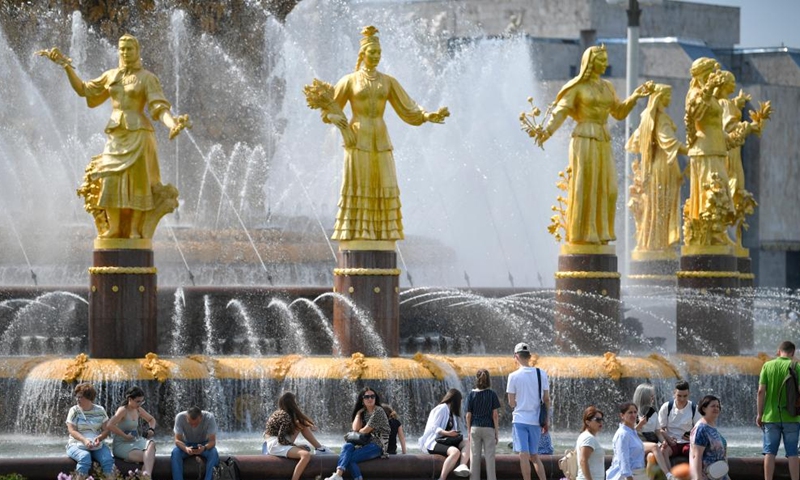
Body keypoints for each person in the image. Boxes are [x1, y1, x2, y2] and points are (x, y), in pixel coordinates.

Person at [38, 34, 189, 239]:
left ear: (137, 51)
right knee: (109, 178)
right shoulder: (111, 76)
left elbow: (158, 107)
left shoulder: (147, 78)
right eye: (122, 49)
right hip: (116, 134)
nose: (125, 53)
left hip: (140, 135)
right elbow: (84, 90)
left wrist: (173, 124)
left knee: (138, 182)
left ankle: (135, 229)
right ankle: (115, 227)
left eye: (129, 49)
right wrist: (66, 66)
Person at [313, 25, 448, 244]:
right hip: (357, 138)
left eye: (379, 53)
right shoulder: (349, 80)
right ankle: (358, 231)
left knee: (384, 181)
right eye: (372, 53)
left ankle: (383, 232)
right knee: (359, 182)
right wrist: (333, 119)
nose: (376, 57)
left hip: (381, 137)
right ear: (363, 54)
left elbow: (407, 107)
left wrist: (426, 116)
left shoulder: (388, 81)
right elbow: (328, 108)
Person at [535, 45, 653, 245]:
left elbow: (618, 112)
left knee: (610, 188)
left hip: (602, 138)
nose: (605, 63)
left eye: (605, 59)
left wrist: (635, 97)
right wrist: (547, 131)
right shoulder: (577, 87)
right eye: (601, 59)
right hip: (584, 138)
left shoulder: (607, 86)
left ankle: (602, 231)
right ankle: (584, 233)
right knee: (586, 185)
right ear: (590, 63)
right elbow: (561, 111)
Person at [625, 84, 686, 253]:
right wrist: (691, 150)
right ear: (660, 97)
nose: (670, 99)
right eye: (668, 95)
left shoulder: (648, 118)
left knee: (655, 205)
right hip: (664, 165)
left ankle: (651, 242)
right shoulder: (661, 119)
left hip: (655, 165)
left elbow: (635, 142)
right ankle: (658, 244)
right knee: (661, 205)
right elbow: (669, 141)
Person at [682, 57, 735, 246]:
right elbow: (695, 113)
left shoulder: (712, 96)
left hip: (716, 147)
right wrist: (707, 90)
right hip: (703, 149)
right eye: (712, 72)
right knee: (712, 189)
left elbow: (717, 126)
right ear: (704, 74)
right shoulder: (695, 93)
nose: (716, 75)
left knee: (720, 188)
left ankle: (717, 230)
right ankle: (710, 232)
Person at [324, 387, 391, 480]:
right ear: (362, 400)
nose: (370, 399)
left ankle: (343, 476)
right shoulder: (364, 412)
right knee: (347, 446)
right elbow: (355, 429)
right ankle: (338, 475)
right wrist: (358, 413)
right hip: (365, 443)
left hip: (378, 445)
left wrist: (359, 430)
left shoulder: (379, 411)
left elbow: (365, 430)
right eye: (367, 397)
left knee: (349, 459)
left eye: (372, 396)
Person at [757, 341, 800, 480]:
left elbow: (760, 391)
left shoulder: (767, 366)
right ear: (793, 353)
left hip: (770, 416)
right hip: (792, 417)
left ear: (778, 351)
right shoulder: (797, 366)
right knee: (793, 453)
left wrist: (759, 414)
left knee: (769, 452)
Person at [507, 342, 549, 480]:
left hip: (519, 420)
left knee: (523, 455)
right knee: (535, 456)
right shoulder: (541, 373)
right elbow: (547, 399)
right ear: (529, 356)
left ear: (516, 356)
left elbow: (511, 403)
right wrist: (546, 420)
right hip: (536, 420)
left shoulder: (513, 376)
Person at [264, 392, 328, 480]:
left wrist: (309, 424)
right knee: (305, 455)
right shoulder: (285, 417)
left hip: (276, 442)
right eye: (295, 402)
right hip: (276, 445)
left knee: (301, 425)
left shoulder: (281, 413)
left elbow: (300, 423)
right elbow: (281, 439)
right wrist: (296, 447)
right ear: (292, 403)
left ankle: (320, 449)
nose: (297, 404)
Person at [66, 382, 114, 479]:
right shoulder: (74, 410)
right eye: (77, 396)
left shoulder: (100, 410)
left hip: (96, 445)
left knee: (108, 460)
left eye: (80, 397)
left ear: (89, 398)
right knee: (84, 457)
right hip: (76, 444)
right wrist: (84, 440)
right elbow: (72, 430)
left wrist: (99, 438)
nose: (77, 399)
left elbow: (106, 430)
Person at [420, 388, 471, 480]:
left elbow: (452, 430)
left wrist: (454, 434)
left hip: (446, 440)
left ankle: (462, 465)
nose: (460, 404)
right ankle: (442, 478)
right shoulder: (441, 408)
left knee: (468, 442)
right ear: (455, 400)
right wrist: (447, 433)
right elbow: (433, 427)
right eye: (460, 401)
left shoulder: (452, 412)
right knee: (455, 452)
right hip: (434, 442)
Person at [107, 386, 157, 477]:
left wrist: (151, 429)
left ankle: (146, 476)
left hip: (135, 441)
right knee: (148, 458)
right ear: (130, 399)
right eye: (138, 401)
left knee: (152, 444)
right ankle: (146, 477)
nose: (140, 404)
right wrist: (124, 436)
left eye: (142, 401)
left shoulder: (138, 409)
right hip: (121, 444)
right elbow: (109, 425)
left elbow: (151, 419)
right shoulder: (123, 410)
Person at [657, 381, 701, 470]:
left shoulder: (693, 408)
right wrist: (668, 439)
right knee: (663, 451)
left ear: (689, 394)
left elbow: (699, 429)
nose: (682, 399)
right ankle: (670, 476)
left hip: (687, 443)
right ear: (674, 393)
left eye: (685, 396)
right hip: (672, 443)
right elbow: (659, 429)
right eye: (679, 396)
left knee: (695, 452)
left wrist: (690, 437)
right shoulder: (667, 407)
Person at [466, 369, 501, 480]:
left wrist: (468, 431)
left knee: (474, 457)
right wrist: (496, 432)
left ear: (476, 379)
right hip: (488, 428)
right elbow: (495, 415)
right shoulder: (492, 394)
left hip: (475, 428)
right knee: (490, 458)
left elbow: (468, 415)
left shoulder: (471, 395)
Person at [171, 406, 219, 480]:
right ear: (186, 417)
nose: (193, 426)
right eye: (190, 423)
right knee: (175, 452)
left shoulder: (209, 417)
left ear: (201, 417)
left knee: (214, 453)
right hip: (186, 444)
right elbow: (177, 440)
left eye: (196, 424)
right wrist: (185, 448)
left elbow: (212, 441)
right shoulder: (180, 417)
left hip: (204, 444)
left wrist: (204, 448)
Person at [632, 383, 670, 476]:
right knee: (655, 447)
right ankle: (668, 475)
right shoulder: (632, 412)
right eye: (651, 396)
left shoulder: (653, 413)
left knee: (652, 456)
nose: (653, 399)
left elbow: (657, 432)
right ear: (644, 397)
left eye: (653, 396)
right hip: (637, 442)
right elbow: (628, 433)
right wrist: (640, 425)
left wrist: (663, 441)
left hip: (650, 442)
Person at [689, 396, 729, 480]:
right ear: (704, 408)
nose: (716, 408)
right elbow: (696, 456)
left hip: (719, 474)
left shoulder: (711, 426)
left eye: (718, 406)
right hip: (707, 476)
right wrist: (698, 478)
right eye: (713, 406)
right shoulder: (701, 428)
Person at [606, 402, 646, 480]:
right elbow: (623, 458)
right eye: (630, 412)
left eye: (635, 412)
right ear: (622, 415)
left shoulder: (632, 432)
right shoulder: (622, 434)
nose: (633, 415)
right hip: (627, 476)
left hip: (638, 474)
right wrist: (628, 477)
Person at [576, 406, 605, 480]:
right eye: (597, 420)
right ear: (587, 422)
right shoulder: (588, 438)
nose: (601, 422)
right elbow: (583, 461)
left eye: (602, 419)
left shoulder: (587, 436)